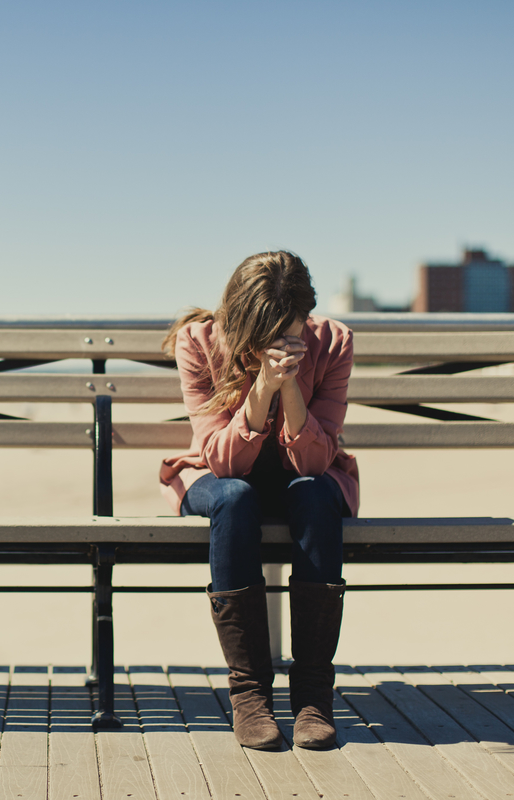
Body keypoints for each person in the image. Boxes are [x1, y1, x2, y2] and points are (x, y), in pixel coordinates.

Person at [160, 251, 359, 751]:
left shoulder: (332, 343)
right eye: (269, 334)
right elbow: (223, 462)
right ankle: (250, 697)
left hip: (303, 477)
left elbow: (313, 462)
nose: (286, 343)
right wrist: (261, 389)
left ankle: (314, 698)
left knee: (315, 495)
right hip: (218, 476)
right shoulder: (200, 342)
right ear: (242, 320)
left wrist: (288, 386)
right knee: (234, 497)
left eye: (293, 331)